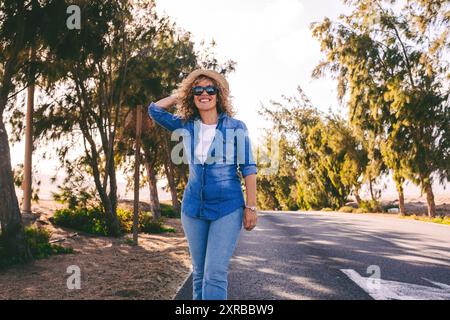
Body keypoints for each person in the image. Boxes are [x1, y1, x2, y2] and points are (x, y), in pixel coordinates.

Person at [148, 69, 258, 300]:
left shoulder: (236, 127)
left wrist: (251, 207)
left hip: (227, 208)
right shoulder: (187, 126)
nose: (204, 93)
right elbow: (155, 111)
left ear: (219, 95)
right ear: (192, 95)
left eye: (211, 89)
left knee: (214, 273)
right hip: (193, 208)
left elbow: (248, 167)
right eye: (198, 90)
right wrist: (182, 93)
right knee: (198, 273)